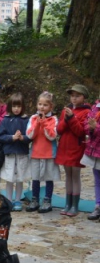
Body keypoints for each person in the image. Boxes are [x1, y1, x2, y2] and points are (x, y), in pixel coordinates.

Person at [56, 85, 91, 217]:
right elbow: (59, 129)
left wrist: (71, 119)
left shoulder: (87, 112)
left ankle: (75, 205)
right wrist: (66, 118)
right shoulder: (66, 110)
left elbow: (80, 131)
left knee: (75, 175)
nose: (74, 98)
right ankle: (67, 203)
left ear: (84, 97)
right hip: (65, 146)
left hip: (76, 147)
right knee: (67, 175)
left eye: (77, 96)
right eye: (72, 96)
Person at [25, 92, 60, 213]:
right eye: (40, 104)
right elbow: (29, 135)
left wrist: (44, 123)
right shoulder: (33, 118)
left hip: (49, 154)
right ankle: (35, 200)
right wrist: (36, 124)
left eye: (45, 105)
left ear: (51, 107)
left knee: (48, 178)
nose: (42, 107)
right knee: (35, 178)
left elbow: (52, 136)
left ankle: (47, 200)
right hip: (35, 153)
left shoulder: (54, 119)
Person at [0, 93, 31, 211]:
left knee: (20, 178)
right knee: (9, 178)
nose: (16, 109)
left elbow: (31, 135)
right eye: (14, 106)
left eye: (19, 106)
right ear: (10, 107)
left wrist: (23, 138)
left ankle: (18, 200)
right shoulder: (5, 120)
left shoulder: (26, 120)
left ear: (23, 107)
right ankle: (8, 200)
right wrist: (12, 138)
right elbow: (0, 136)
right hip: (10, 154)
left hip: (21, 153)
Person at [83, 95, 100, 220]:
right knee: (97, 181)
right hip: (96, 152)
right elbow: (86, 125)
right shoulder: (95, 108)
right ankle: (98, 206)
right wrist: (90, 127)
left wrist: (97, 127)